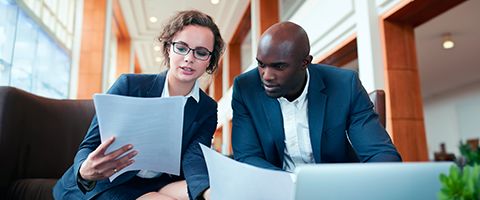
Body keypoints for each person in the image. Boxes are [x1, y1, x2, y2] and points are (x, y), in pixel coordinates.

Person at [53, 10, 224, 200]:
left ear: (210, 60)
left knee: (216, 192)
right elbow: (90, 143)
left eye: (201, 52)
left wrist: (208, 192)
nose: (189, 58)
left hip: (158, 183)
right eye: (182, 48)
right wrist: (84, 171)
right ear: (168, 48)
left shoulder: (207, 108)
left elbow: (194, 158)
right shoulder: (129, 85)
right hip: (111, 182)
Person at [231, 22, 401, 172]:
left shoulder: (344, 85)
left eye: (279, 66)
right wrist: (291, 183)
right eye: (261, 64)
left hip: (334, 189)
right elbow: (247, 156)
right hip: (276, 189)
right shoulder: (245, 88)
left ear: (305, 63)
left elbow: (380, 153)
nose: (266, 76)